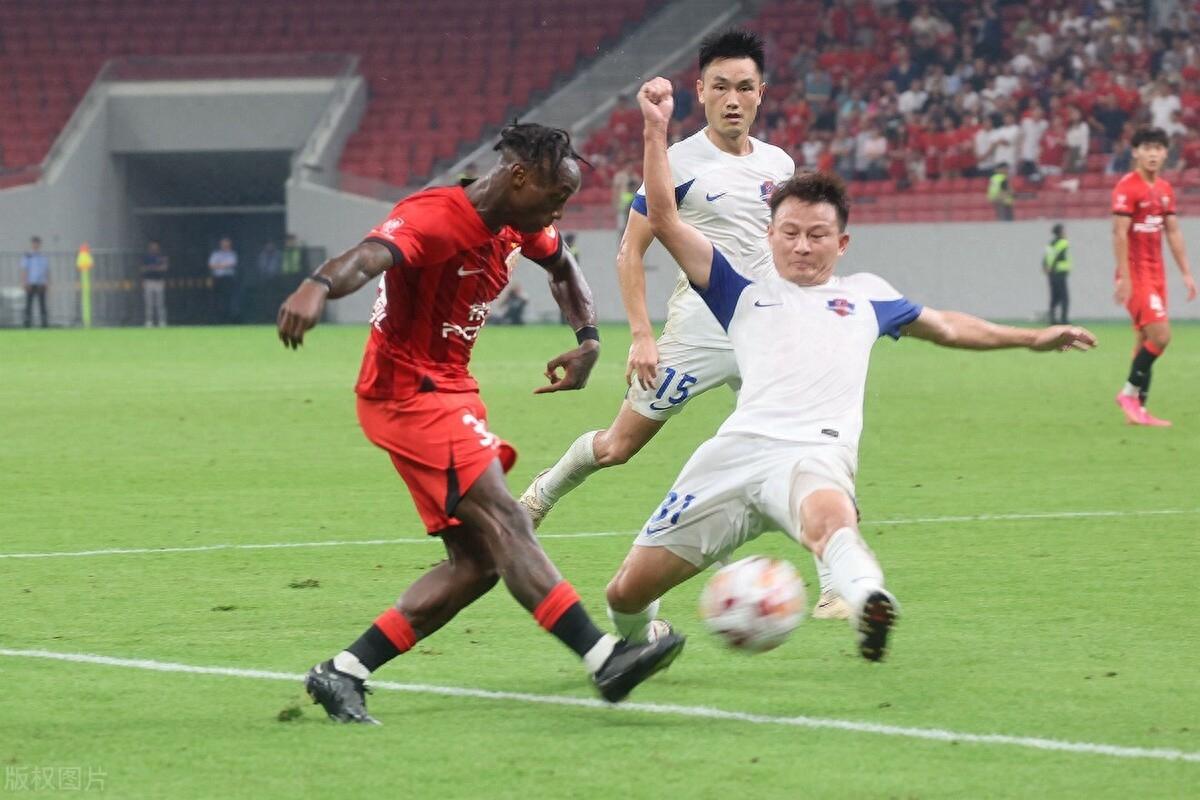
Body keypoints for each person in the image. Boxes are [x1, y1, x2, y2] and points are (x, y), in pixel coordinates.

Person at [612, 75, 1096, 659]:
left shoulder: (867, 296)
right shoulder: (737, 292)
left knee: (831, 517)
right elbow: (664, 219)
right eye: (790, 233)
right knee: (626, 592)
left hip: (813, 452)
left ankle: (868, 598)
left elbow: (947, 327)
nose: (802, 246)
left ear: (841, 243)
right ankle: (641, 640)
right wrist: (655, 129)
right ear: (770, 235)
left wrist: (1033, 338)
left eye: (818, 235)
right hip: (735, 453)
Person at [276, 122, 684, 724]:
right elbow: (367, 256)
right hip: (406, 391)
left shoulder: (519, 221)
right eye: (555, 197)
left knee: (479, 564)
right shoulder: (435, 218)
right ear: (519, 177)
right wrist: (316, 286)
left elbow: (564, 268)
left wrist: (589, 339)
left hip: (451, 389)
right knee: (506, 518)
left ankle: (343, 671)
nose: (558, 211)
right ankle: (604, 658)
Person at [517, 30, 851, 622]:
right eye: (720, 86)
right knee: (618, 447)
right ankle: (541, 495)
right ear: (699, 91)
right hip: (698, 332)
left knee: (809, 447)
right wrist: (642, 334)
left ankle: (836, 584)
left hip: (765, 335)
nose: (732, 99)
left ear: (761, 93)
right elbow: (631, 250)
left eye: (744, 87)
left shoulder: (779, 164)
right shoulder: (676, 163)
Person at [1112, 127, 1196, 427]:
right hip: (1136, 274)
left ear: (1165, 153)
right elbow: (1119, 234)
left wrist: (1186, 273)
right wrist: (1124, 278)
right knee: (1161, 336)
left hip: (1156, 273)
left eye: (1158, 148)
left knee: (1145, 339)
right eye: (1146, 148)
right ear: (1135, 152)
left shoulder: (1164, 189)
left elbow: (1173, 232)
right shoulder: (1127, 187)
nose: (1152, 154)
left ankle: (1139, 410)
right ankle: (1127, 395)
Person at [1043, 223, 1070, 324]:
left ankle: (1052, 319)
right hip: (1059, 272)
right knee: (1064, 297)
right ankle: (1064, 319)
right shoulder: (1063, 242)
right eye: (1064, 230)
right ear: (1060, 232)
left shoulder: (1050, 244)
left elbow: (1046, 257)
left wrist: (1046, 267)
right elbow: (1058, 256)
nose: (1065, 232)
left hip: (1051, 274)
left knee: (1054, 297)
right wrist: (1052, 267)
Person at [20, 235, 49, 328]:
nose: (36, 245)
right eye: (34, 243)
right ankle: (27, 323)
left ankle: (44, 323)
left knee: (42, 304)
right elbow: (24, 269)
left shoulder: (43, 256)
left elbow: (46, 270)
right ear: (32, 244)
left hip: (41, 283)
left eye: (37, 243)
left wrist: (47, 282)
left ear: (39, 244)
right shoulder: (28, 256)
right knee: (29, 304)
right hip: (31, 283)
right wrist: (25, 282)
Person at [208, 237, 238, 323]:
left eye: (227, 244)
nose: (225, 245)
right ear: (220, 244)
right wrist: (223, 265)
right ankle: (217, 318)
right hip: (218, 279)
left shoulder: (232, 254)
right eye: (223, 243)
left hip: (228, 279)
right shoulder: (216, 254)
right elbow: (211, 265)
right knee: (217, 298)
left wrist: (218, 265)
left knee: (228, 299)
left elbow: (232, 264)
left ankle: (228, 318)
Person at [141, 239, 169, 327]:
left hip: (159, 281)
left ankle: (162, 321)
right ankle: (149, 321)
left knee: (160, 303)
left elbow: (164, 267)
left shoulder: (162, 256)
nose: (154, 248)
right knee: (149, 303)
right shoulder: (146, 257)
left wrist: (151, 268)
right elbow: (142, 268)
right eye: (152, 246)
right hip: (148, 281)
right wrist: (155, 268)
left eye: (155, 246)